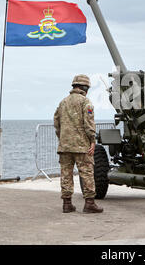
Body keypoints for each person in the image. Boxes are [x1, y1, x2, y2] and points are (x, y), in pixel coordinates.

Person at [53, 74, 103, 214]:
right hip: (81, 146)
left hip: (65, 146)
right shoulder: (85, 102)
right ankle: (89, 203)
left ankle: (67, 203)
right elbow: (89, 124)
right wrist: (92, 140)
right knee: (87, 173)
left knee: (66, 174)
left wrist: (62, 138)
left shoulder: (63, 102)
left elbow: (56, 123)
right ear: (85, 87)